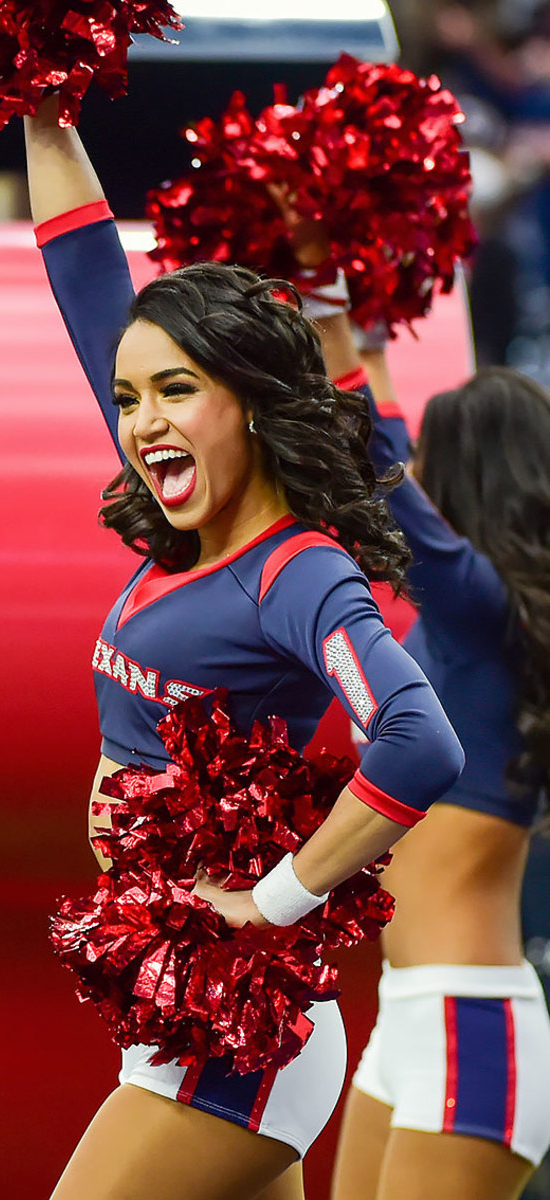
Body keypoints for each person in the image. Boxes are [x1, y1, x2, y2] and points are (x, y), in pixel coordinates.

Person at [24, 95, 465, 1200]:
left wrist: (268, 902)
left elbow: (418, 740)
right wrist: (38, 96)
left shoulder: (294, 568)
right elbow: (86, 284)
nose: (140, 419)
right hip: (174, 1011)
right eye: (130, 398)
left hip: (237, 1038)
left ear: (251, 406)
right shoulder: (178, 518)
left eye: (178, 390)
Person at [322, 333, 550, 1199]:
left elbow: (377, 462)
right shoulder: (471, 628)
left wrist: (330, 312)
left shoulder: (480, 608)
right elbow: (381, 436)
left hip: (469, 1023)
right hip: (411, 1016)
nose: (415, 470)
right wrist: (371, 337)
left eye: (431, 461)